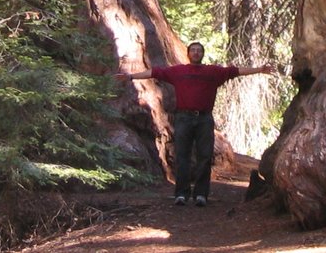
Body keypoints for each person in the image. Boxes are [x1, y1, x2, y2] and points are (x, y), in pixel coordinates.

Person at [118, 42, 276, 206]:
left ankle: (201, 194)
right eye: (193, 50)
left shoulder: (213, 72)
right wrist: (131, 76)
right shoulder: (178, 71)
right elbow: (155, 72)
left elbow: (235, 71)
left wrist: (259, 69)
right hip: (183, 118)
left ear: (202, 54)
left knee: (205, 156)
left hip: (204, 119)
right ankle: (181, 194)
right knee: (182, 156)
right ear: (188, 53)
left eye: (199, 50)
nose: (195, 53)